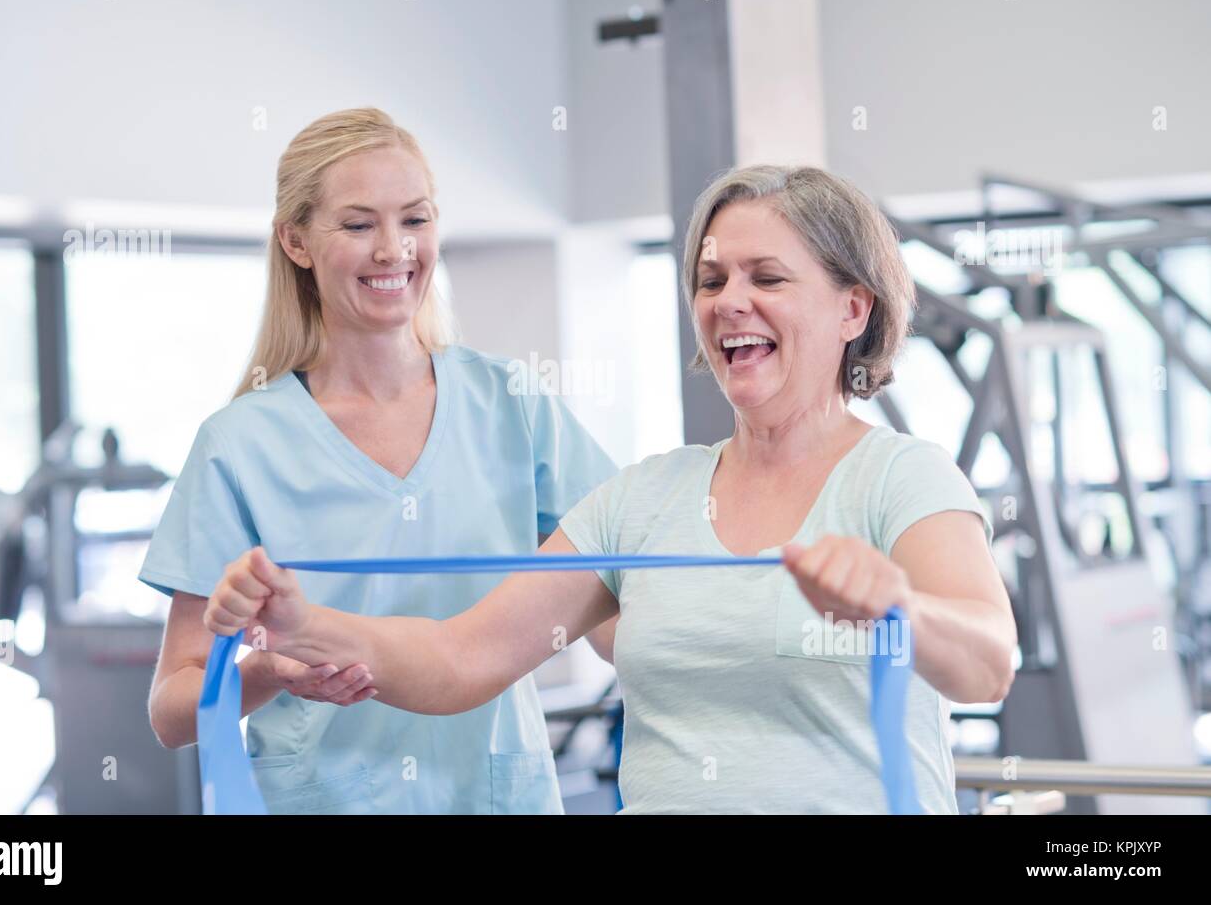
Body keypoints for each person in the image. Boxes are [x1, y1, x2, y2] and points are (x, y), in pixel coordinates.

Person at [206, 164, 1017, 814]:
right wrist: (302, 621)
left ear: (853, 308)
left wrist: (900, 608)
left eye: (766, 276)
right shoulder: (641, 500)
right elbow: (462, 657)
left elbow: (987, 665)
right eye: (711, 278)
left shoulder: (901, 477)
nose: (729, 299)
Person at [142, 107, 617, 814]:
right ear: (296, 240)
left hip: (495, 796)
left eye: (415, 220)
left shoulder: (512, 403)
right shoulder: (239, 444)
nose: (394, 250)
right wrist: (269, 672)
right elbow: (172, 709)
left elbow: (616, 595)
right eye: (359, 225)